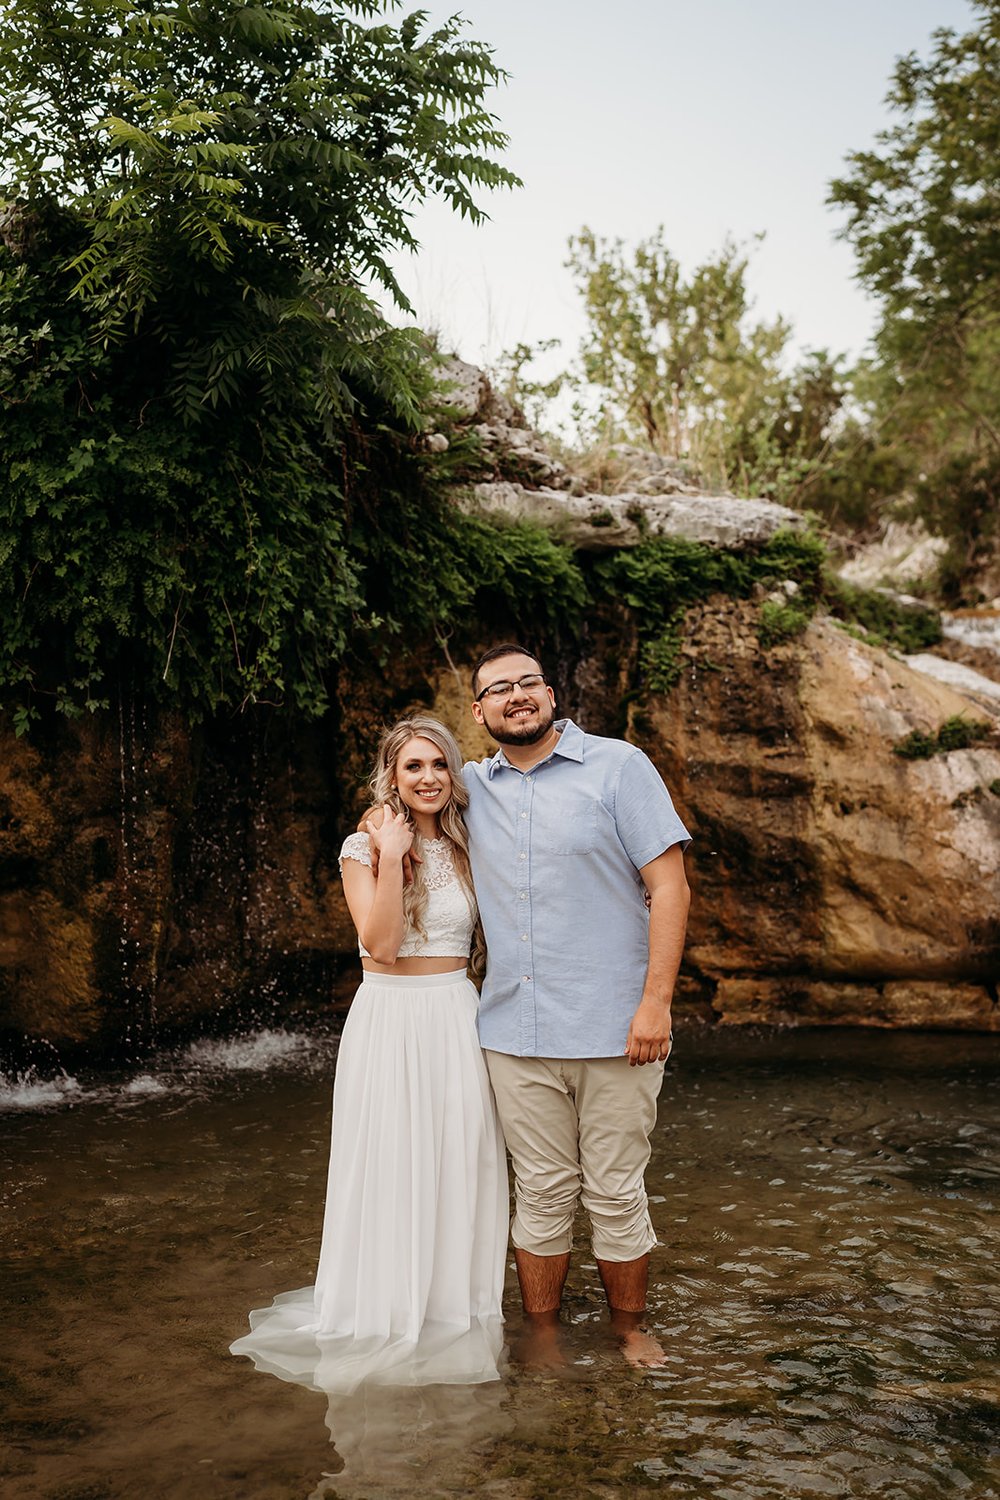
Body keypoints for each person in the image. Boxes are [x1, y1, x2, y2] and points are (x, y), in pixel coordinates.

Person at [230, 717, 507, 1393]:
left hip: (455, 1015)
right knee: (390, 1161)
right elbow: (380, 945)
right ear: (391, 774)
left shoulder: (472, 845)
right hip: (388, 1017)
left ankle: (451, 1307)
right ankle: (386, 1307)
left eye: (440, 765)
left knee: (459, 1159)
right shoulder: (363, 846)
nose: (429, 778)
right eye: (414, 766)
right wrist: (390, 854)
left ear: (454, 773)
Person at [464, 643, 691, 1368]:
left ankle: (628, 1330)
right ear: (479, 712)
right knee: (540, 1192)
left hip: (615, 1028)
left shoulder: (620, 767)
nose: (516, 696)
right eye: (499, 690)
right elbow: (407, 789)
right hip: (512, 1032)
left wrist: (655, 1004)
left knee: (617, 1191)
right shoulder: (470, 788)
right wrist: (371, 828)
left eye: (527, 682)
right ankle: (543, 1335)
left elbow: (671, 888)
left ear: (552, 693)